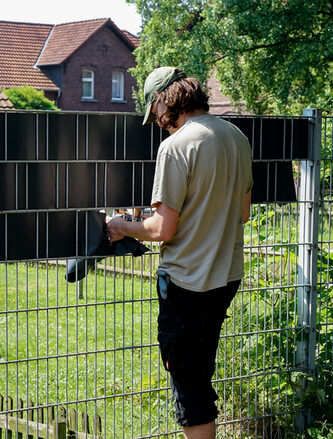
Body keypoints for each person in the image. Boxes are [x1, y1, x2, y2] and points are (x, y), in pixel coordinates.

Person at [106, 67, 252, 439]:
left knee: (189, 388)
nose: (156, 120)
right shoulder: (236, 136)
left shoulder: (176, 146)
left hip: (188, 282)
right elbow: (243, 213)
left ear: (164, 101)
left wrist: (121, 226)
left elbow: (162, 229)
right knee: (200, 375)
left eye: (154, 110)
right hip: (226, 277)